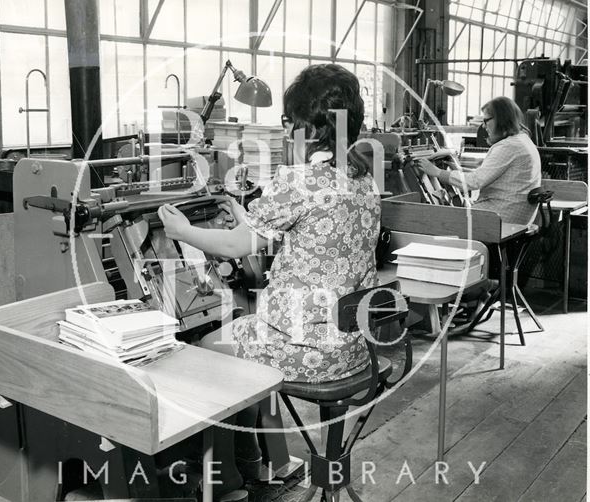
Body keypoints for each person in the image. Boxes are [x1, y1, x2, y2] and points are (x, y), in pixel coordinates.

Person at [157, 63, 381, 497]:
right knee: (243, 332)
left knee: (199, 350)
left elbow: (239, 246)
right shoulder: (363, 179)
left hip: (304, 350)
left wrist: (183, 232)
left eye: (288, 123)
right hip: (352, 349)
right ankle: (252, 463)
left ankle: (218, 480)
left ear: (307, 128)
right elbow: (286, 231)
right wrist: (242, 213)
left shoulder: (296, 180)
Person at [415, 96, 541, 225]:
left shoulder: (508, 146)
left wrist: (436, 171)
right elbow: (495, 175)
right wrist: (460, 170)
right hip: (513, 212)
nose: (484, 126)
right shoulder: (522, 140)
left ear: (501, 119)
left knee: (435, 223)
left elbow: (474, 182)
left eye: (486, 121)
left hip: (502, 215)